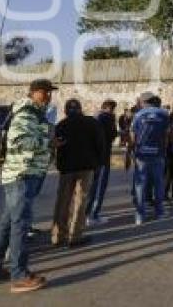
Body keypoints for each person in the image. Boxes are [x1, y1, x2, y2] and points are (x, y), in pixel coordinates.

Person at [0, 78, 56, 293]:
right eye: (43, 92)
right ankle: (19, 275)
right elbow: (19, 141)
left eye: (49, 92)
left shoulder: (36, 114)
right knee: (20, 224)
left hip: (26, 173)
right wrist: (48, 142)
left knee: (8, 223)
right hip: (22, 174)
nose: (48, 96)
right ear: (32, 93)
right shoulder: (25, 113)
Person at [51, 99, 104, 247]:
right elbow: (100, 144)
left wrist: (59, 164)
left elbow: (57, 146)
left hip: (67, 168)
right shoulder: (92, 123)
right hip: (86, 167)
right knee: (80, 201)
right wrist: (98, 163)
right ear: (81, 109)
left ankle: (58, 235)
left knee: (63, 201)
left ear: (66, 111)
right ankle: (75, 235)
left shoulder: (61, 125)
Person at [131, 92, 170, 226]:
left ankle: (140, 216)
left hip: (141, 155)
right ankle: (159, 212)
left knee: (140, 185)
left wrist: (133, 151)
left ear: (144, 102)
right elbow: (167, 135)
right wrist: (164, 151)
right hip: (158, 154)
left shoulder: (138, 115)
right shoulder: (164, 114)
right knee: (158, 184)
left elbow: (133, 136)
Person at [86, 99, 118, 226]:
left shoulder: (94, 117)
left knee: (92, 186)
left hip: (94, 157)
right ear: (109, 107)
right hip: (103, 157)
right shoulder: (107, 118)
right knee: (100, 186)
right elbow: (113, 134)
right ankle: (93, 214)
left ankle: (87, 213)